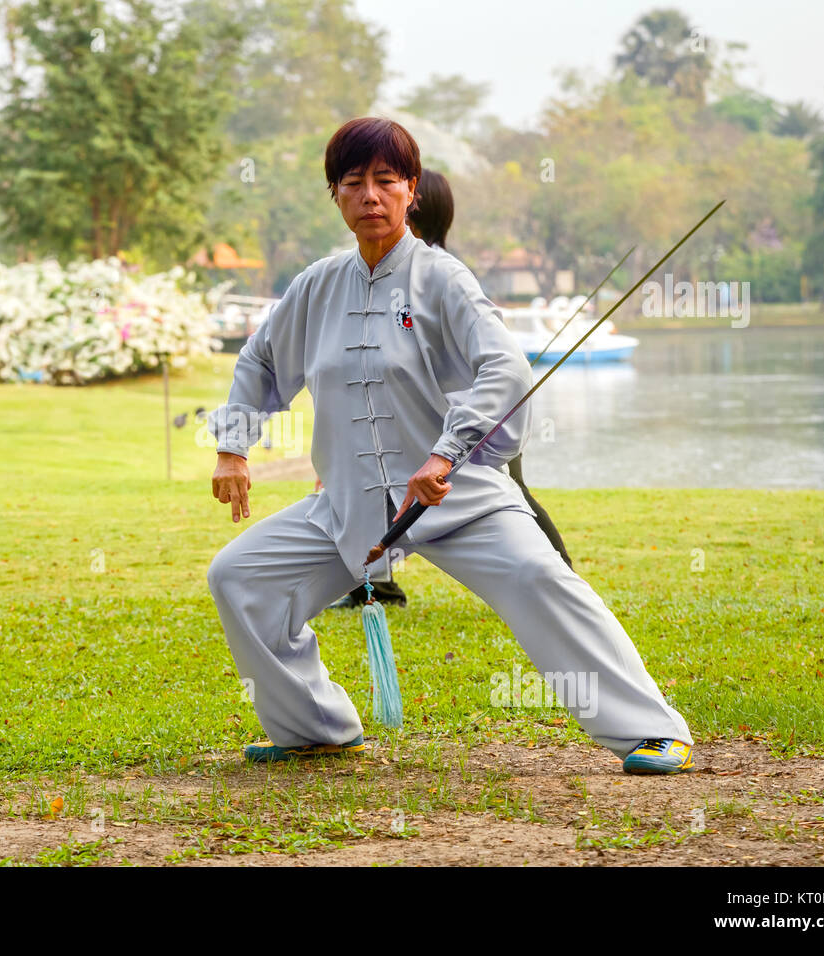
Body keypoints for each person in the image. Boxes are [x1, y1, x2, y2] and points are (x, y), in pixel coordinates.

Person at [207, 117, 694, 774]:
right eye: (354, 183)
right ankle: (311, 725)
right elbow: (261, 363)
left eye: (386, 181)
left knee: (539, 575)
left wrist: (446, 453)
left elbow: (506, 368)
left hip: (455, 495)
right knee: (239, 577)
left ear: (412, 190)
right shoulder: (317, 286)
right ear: (336, 196)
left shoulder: (443, 279)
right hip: (347, 505)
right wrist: (233, 449)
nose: (371, 196)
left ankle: (650, 730)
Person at [323, 169, 573, 610]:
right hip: (428, 422)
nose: (375, 200)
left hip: (467, 422)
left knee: (508, 493)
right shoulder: (384, 267)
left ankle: (560, 577)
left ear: (415, 205)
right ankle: (373, 585)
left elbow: (489, 359)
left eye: (391, 188)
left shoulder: (436, 272)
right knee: (366, 487)